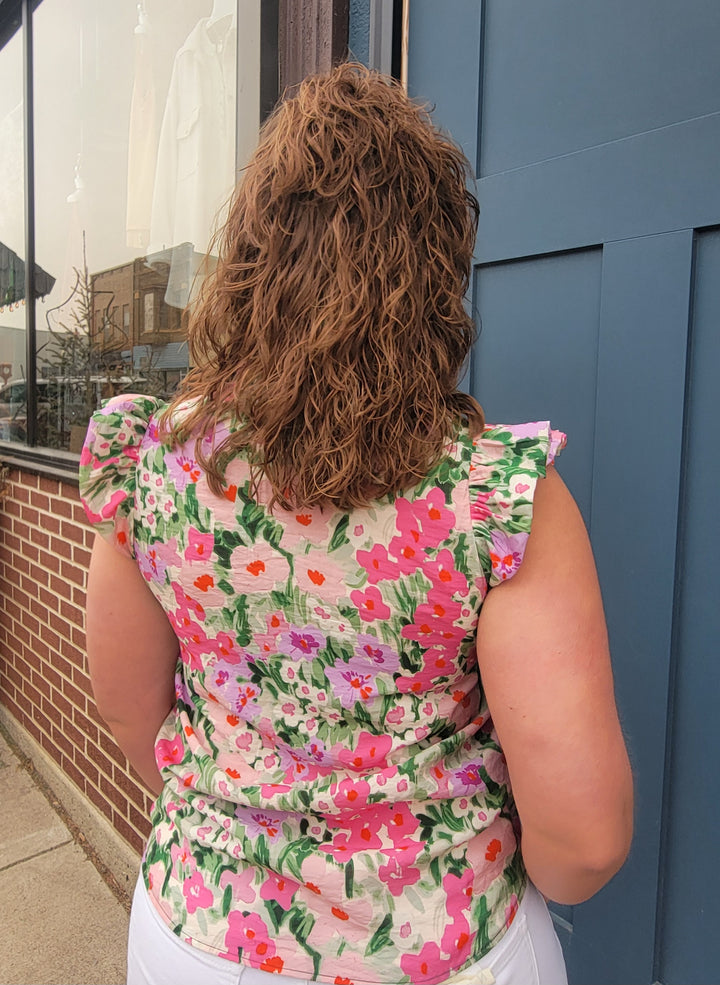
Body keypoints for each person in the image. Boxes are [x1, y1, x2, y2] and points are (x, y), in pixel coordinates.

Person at [80, 63, 632, 985]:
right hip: (444, 949)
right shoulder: (495, 498)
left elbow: (135, 719)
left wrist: (246, 833)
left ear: (250, 259)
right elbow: (583, 841)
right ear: (432, 275)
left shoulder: (151, 464)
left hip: (199, 937)